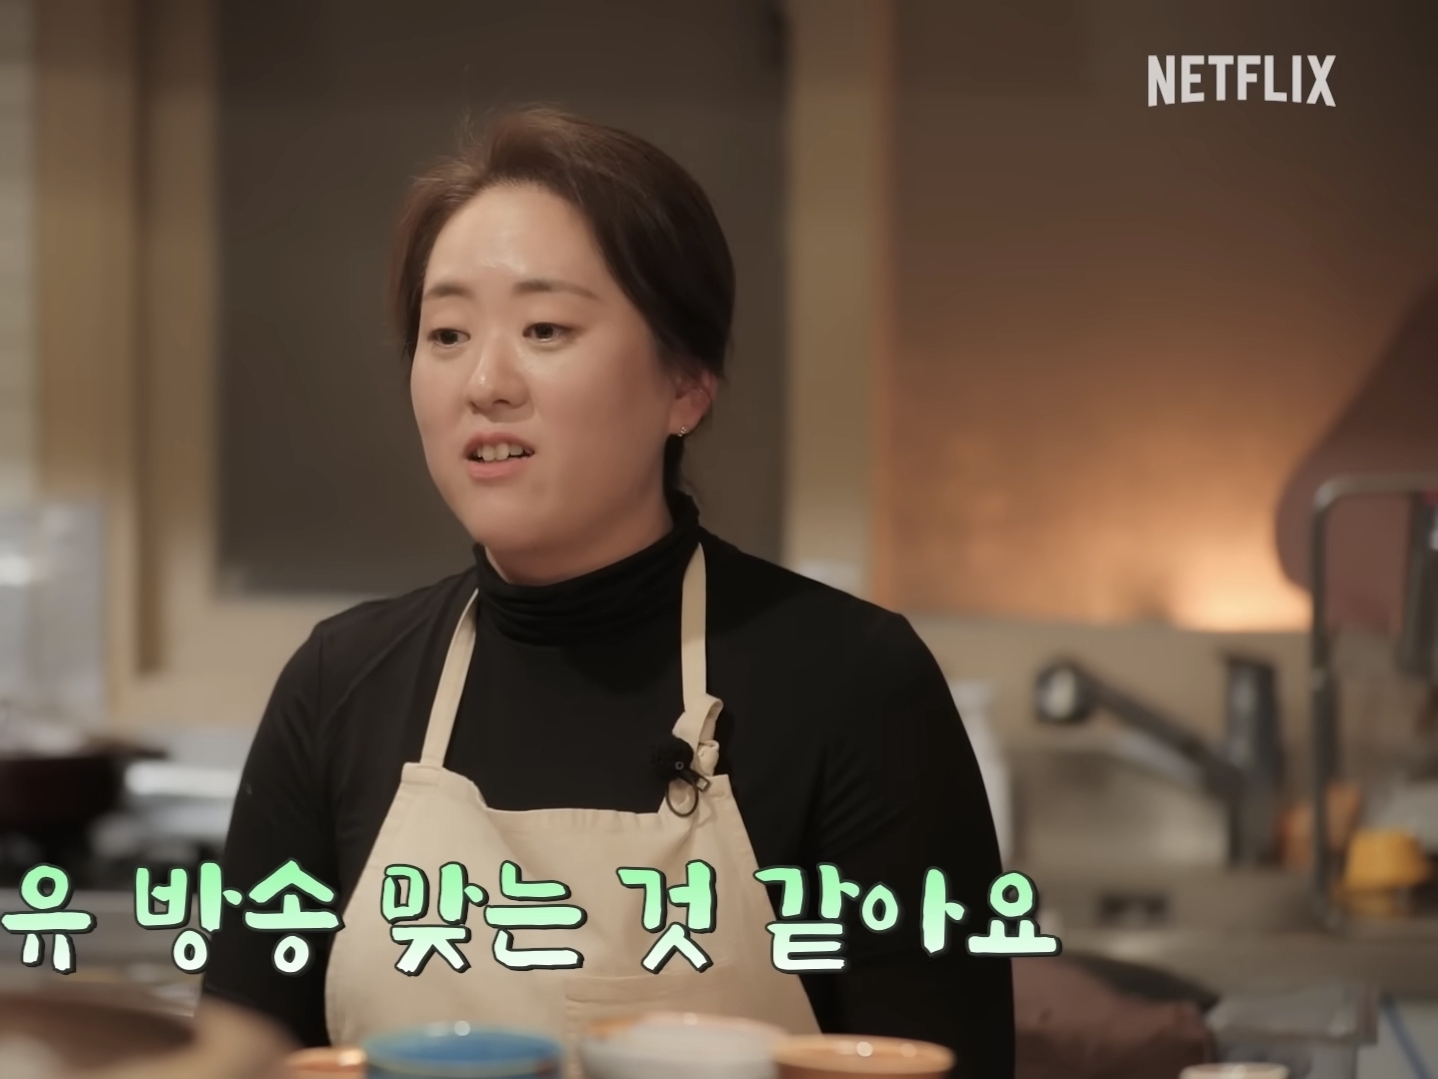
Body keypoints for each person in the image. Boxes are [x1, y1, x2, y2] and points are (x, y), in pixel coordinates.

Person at [201, 107, 1013, 1077]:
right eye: (447, 332)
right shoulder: (339, 686)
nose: (485, 381)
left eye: (545, 328)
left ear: (687, 384)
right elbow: (238, 1062)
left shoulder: (854, 684)